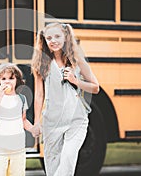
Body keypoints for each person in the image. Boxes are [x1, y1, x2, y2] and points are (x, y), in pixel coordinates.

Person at [31, 23, 100, 176]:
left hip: (76, 119)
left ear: (66, 37)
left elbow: (95, 88)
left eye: (57, 36)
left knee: (68, 157)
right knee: (52, 167)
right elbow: (39, 95)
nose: (53, 41)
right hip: (51, 121)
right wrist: (36, 122)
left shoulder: (77, 61)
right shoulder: (41, 64)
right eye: (48, 38)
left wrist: (76, 81)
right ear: (44, 40)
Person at [0, 62, 33, 176]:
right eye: (3, 79)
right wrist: (0, 97)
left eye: (11, 78)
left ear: (17, 80)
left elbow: (23, 120)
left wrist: (33, 129)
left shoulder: (21, 99)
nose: (7, 81)